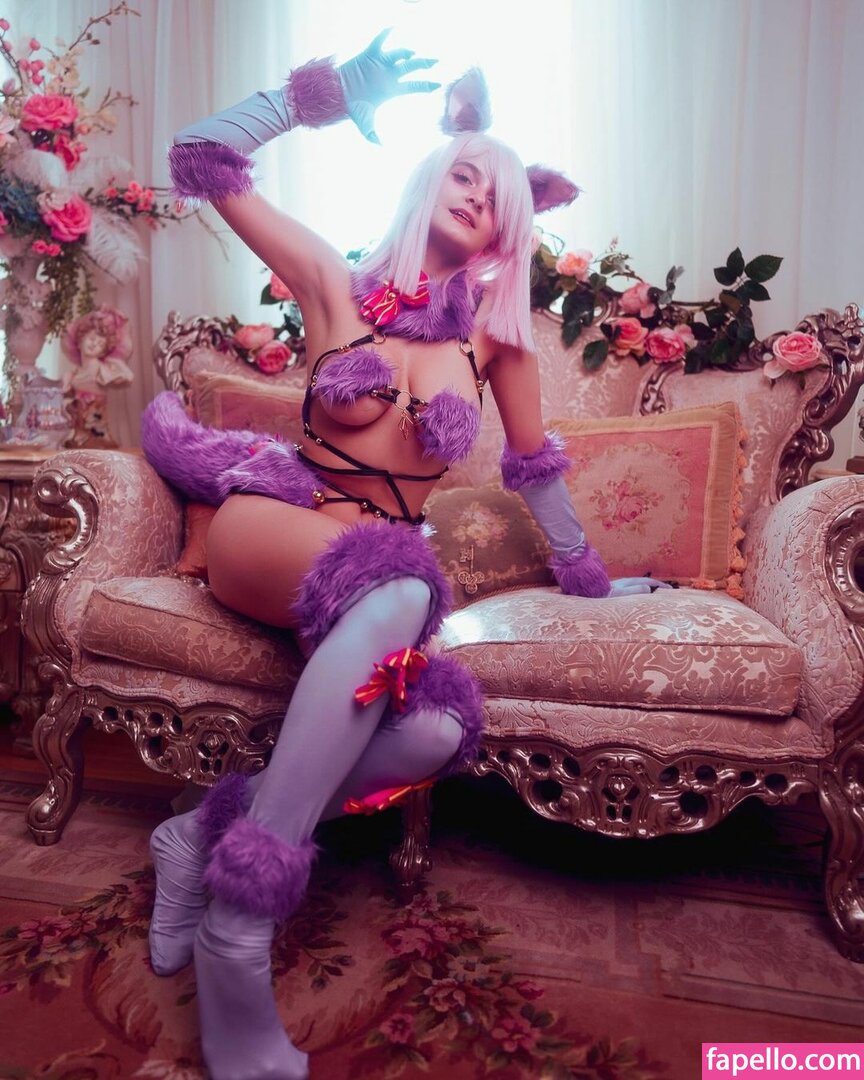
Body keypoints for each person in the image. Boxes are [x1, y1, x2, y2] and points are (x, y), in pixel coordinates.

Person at [142, 31, 668, 1080]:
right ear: (430, 175)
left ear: (510, 227)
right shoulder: (332, 284)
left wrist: (592, 580)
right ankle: (239, 928)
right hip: (274, 521)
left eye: (498, 191)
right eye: (465, 172)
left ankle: (198, 838)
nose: (477, 193)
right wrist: (323, 95)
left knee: (434, 728)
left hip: (373, 572)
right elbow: (201, 156)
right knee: (397, 583)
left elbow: (534, 468)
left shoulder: (495, 342)